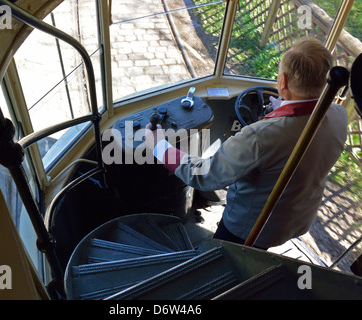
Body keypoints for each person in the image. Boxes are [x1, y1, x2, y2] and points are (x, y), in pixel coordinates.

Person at [145, 37, 348, 250]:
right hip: (297, 218)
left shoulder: (260, 136)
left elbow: (206, 175)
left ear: (282, 81)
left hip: (249, 229)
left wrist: (159, 145)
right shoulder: (339, 114)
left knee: (227, 259)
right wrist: (285, 108)